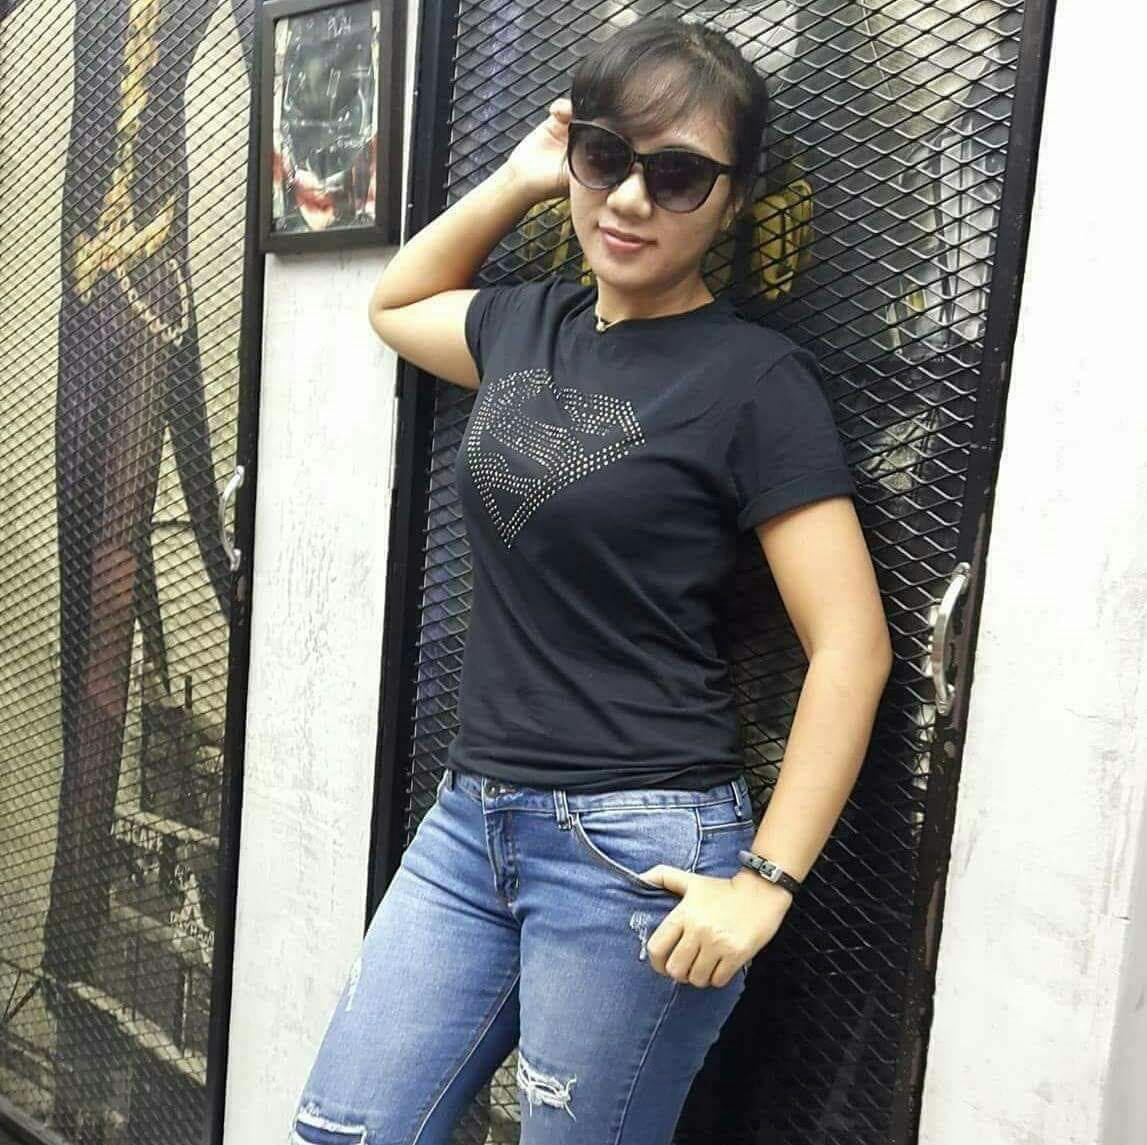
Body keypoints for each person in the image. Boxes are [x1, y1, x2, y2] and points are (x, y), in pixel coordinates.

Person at [290, 15, 892, 1145]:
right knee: (344, 1130)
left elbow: (850, 645)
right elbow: (395, 304)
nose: (629, 199)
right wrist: (525, 176)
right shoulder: (529, 323)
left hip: (640, 848)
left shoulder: (755, 380)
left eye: (678, 177)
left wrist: (765, 881)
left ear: (732, 200)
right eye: (607, 157)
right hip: (472, 819)